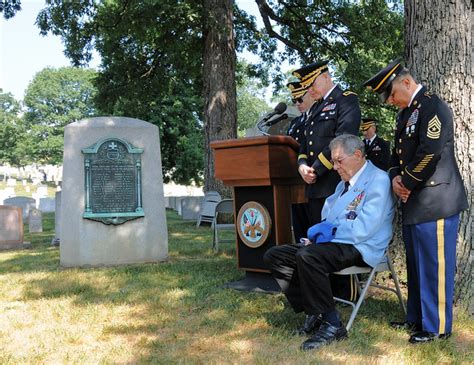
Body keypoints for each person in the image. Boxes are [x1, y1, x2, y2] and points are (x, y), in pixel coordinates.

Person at [363, 60, 468, 344]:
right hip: (413, 200)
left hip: (436, 199)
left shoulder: (432, 107)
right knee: (417, 264)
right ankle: (417, 319)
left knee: (435, 265)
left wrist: (405, 183)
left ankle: (437, 327)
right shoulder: (405, 114)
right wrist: (395, 177)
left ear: (406, 83)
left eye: (392, 94)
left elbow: (429, 152)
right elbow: (396, 155)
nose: (391, 101)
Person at [264, 134, 394, 351]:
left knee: (309, 256)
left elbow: (363, 229)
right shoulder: (344, 184)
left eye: (338, 160)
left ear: (358, 155)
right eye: (333, 161)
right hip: (338, 242)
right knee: (276, 255)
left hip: (362, 246)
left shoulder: (378, 180)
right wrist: (316, 237)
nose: (334, 167)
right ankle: (314, 311)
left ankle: (333, 324)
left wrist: (323, 237)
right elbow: (329, 218)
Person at [292, 60, 361, 303]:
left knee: (336, 238)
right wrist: (302, 165)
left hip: (335, 182)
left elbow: (343, 138)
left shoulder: (346, 100)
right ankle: (324, 293)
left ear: (325, 77)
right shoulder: (316, 108)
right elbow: (304, 144)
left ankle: (346, 293)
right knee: (317, 238)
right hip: (313, 184)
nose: (309, 91)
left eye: (311, 85)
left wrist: (317, 168)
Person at [286, 81, 316, 243]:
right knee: (298, 222)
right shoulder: (295, 123)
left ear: (311, 94)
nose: (298, 104)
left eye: (300, 99)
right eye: (294, 101)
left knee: (313, 222)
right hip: (295, 179)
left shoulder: (318, 117)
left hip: (314, 176)